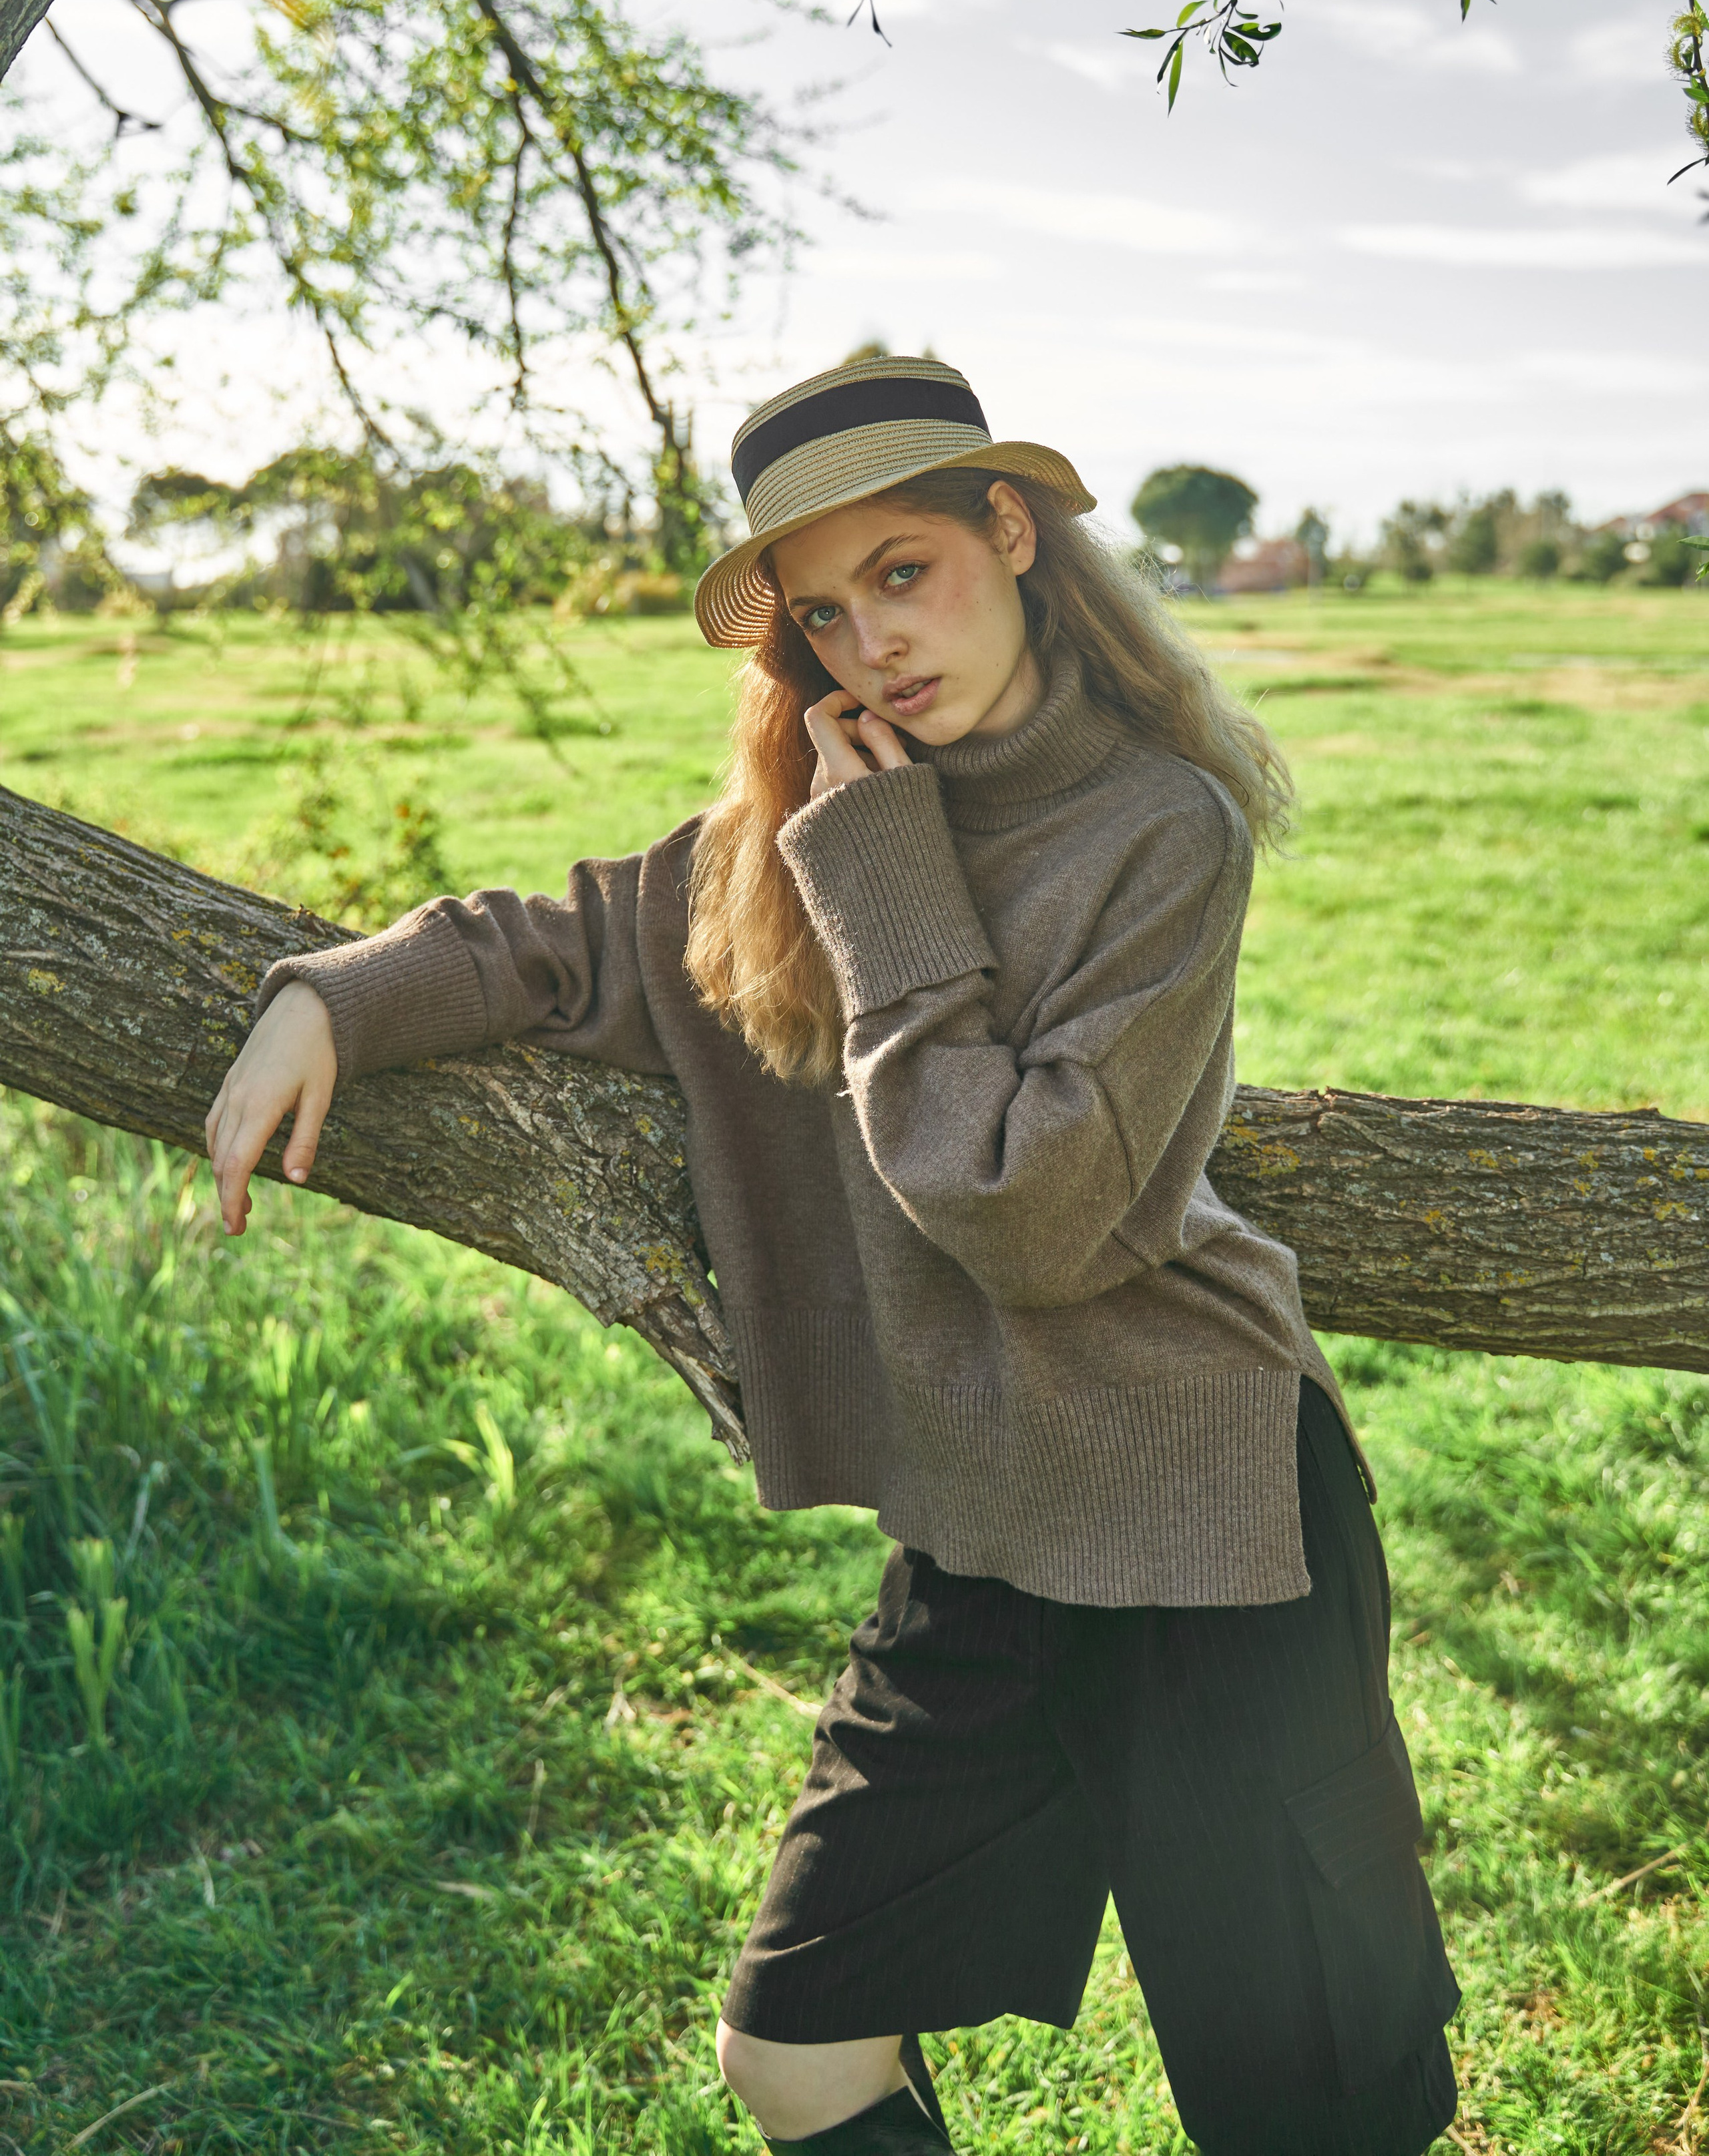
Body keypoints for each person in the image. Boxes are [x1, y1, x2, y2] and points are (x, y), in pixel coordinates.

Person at [204, 356, 1460, 2156]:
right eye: (820, 613)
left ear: (1009, 533)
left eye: (903, 571)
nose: (871, 646)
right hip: (982, 1542)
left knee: (1311, 2106)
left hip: (1214, 1518)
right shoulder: (810, 832)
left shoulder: (1156, 833)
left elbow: (1027, 1212)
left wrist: (879, 891)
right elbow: (549, 946)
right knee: (796, 2054)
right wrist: (322, 999)